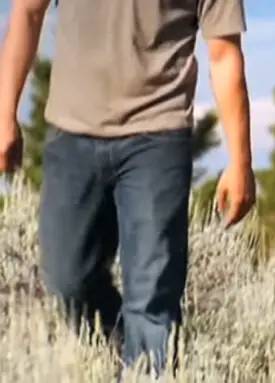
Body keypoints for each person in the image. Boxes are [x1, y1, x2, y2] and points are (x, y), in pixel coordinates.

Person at [0, 0, 256, 377]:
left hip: (158, 137)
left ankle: (148, 362)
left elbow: (224, 55)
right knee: (67, 279)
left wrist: (241, 163)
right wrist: (6, 115)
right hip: (72, 135)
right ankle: (128, 348)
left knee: (153, 298)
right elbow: (27, 12)